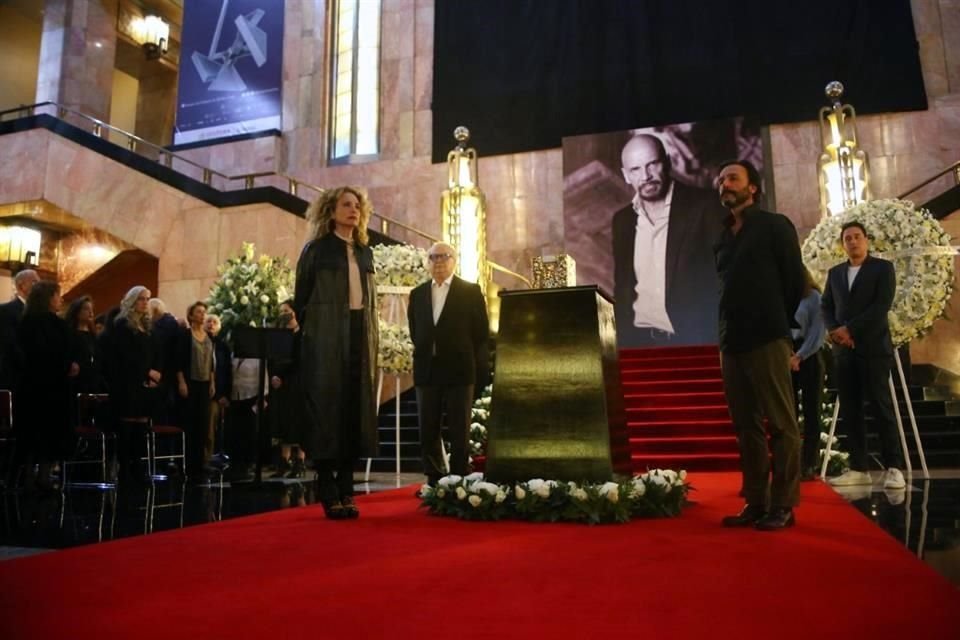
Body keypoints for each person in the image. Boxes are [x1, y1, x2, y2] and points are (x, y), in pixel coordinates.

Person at [714, 159, 804, 531]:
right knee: (745, 426)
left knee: (782, 425)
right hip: (731, 341)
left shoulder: (774, 225)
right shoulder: (722, 235)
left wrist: (776, 322)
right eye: (720, 180)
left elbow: (793, 283)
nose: (724, 184)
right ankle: (756, 501)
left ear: (753, 187)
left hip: (767, 337)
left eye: (732, 177)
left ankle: (783, 505)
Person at [294, 186, 380, 520]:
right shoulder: (316, 250)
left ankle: (347, 488)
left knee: (352, 411)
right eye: (346, 205)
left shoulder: (364, 252)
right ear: (331, 211)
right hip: (326, 337)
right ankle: (328, 488)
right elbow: (301, 299)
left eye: (357, 205)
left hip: (359, 333)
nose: (353, 210)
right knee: (327, 410)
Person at [611, 134, 725, 347]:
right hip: (638, 346)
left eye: (652, 164)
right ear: (626, 176)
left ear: (667, 163)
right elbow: (623, 287)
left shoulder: (705, 206)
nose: (646, 176)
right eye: (636, 169)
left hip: (696, 343)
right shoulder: (622, 221)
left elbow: (726, 277)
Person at [821, 221, 906, 491]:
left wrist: (850, 329)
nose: (853, 242)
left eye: (857, 237)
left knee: (881, 407)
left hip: (872, 348)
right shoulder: (835, 273)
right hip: (844, 352)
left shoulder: (882, 269)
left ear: (867, 240)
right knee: (850, 409)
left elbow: (881, 305)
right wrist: (835, 330)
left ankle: (894, 467)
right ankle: (859, 467)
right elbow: (826, 305)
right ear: (843, 244)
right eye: (848, 238)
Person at [408, 242, 490, 488]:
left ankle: (458, 478)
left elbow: (481, 332)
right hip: (427, 368)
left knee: (459, 426)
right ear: (427, 262)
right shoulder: (418, 293)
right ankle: (434, 478)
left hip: (459, 368)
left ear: (454, 260)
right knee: (428, 427)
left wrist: (470, 359)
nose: (439, 262)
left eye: (444, 256)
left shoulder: (470, 291)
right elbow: (415, 329)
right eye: (433, 257)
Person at [14, 281, 79, 490]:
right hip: (46, 388)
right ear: (48, 298)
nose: (60, 299)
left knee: (41, 435)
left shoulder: (29, 322)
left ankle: (37, 476)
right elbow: (44, 354)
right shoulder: (42, 324)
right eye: (57, 295)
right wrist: (67, 365)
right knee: (43, 434)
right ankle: (37, 476)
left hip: (42, 387)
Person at [108, 286, 162, 482]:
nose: (145, 303)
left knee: (141, 422)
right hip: (127, 382)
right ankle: (125, 468)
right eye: (141, 299)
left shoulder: (147, 326)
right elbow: (125, 357)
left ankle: (138, 465)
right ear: (132, 300)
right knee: (128, 422)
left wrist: (155, 372)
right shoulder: (122, 324)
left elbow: (154, 352)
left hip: (144, 383)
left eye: (147, 299)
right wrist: (147, 371)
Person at [791, 268, 826, 480]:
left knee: (812, 411)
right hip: (788, 354)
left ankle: (809, 464)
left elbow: (818, 332)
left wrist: (799, 356)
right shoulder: (784, 297)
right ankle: (791, 462)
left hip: (809, 355)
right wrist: (788, 354)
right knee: (790, 411)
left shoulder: (814, 298)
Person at [176, 301, 216, 482]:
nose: (202, 315)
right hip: (190, 382)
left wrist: (212, 382)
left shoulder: (208, 336)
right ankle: (188, 464)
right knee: (189, 423)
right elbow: (178, 361)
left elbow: (212, 362)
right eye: (198, 312)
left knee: (203, 423)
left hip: (205, 382)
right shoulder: (185, 335)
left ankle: (201, 463)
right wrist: (181, 382)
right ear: (191, 315)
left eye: (204, 312)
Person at [269, 300, 306, 478]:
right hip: (279, 383)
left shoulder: (303, 333)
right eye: (281, 311)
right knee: (282, 422)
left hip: (296, 382)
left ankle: (299, 462)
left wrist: (282, 376)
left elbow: (300, 359)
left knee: (297, 421)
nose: (284, 313)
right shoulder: (280, 333)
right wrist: (274, 375)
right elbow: (273, 356)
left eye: (287, 310)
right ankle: (283, 462)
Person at [0, 268, 40, 386]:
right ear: (21, 286)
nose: (39, 287)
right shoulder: (5, 310)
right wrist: (31, 362)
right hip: (15, 374)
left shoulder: (40, 312)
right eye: (34, 282)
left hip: (36, 377)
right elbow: (9, 342)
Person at [204, 313, 232, 469]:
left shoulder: (223, 346)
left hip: (217, 394)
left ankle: (210, 457)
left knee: (212, 428)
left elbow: (227, 372)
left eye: (214, 322)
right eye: (208, 321)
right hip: (202, 390)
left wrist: (224, 394)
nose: (211, 324)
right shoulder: (200, 340)